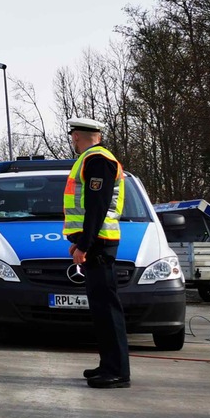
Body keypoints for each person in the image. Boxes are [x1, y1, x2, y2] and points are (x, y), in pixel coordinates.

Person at [64, 117, 130, 389]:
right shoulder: (93, 159)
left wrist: (85, 245)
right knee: (101, 308)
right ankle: (108, 365)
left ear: (77, 136)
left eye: (72, 138)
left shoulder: (97, 160)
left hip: (100, 244)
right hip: (97, 242)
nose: (73, 142)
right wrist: (80, 240)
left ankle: (117, 371)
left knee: (107, 308)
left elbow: (97, 206)